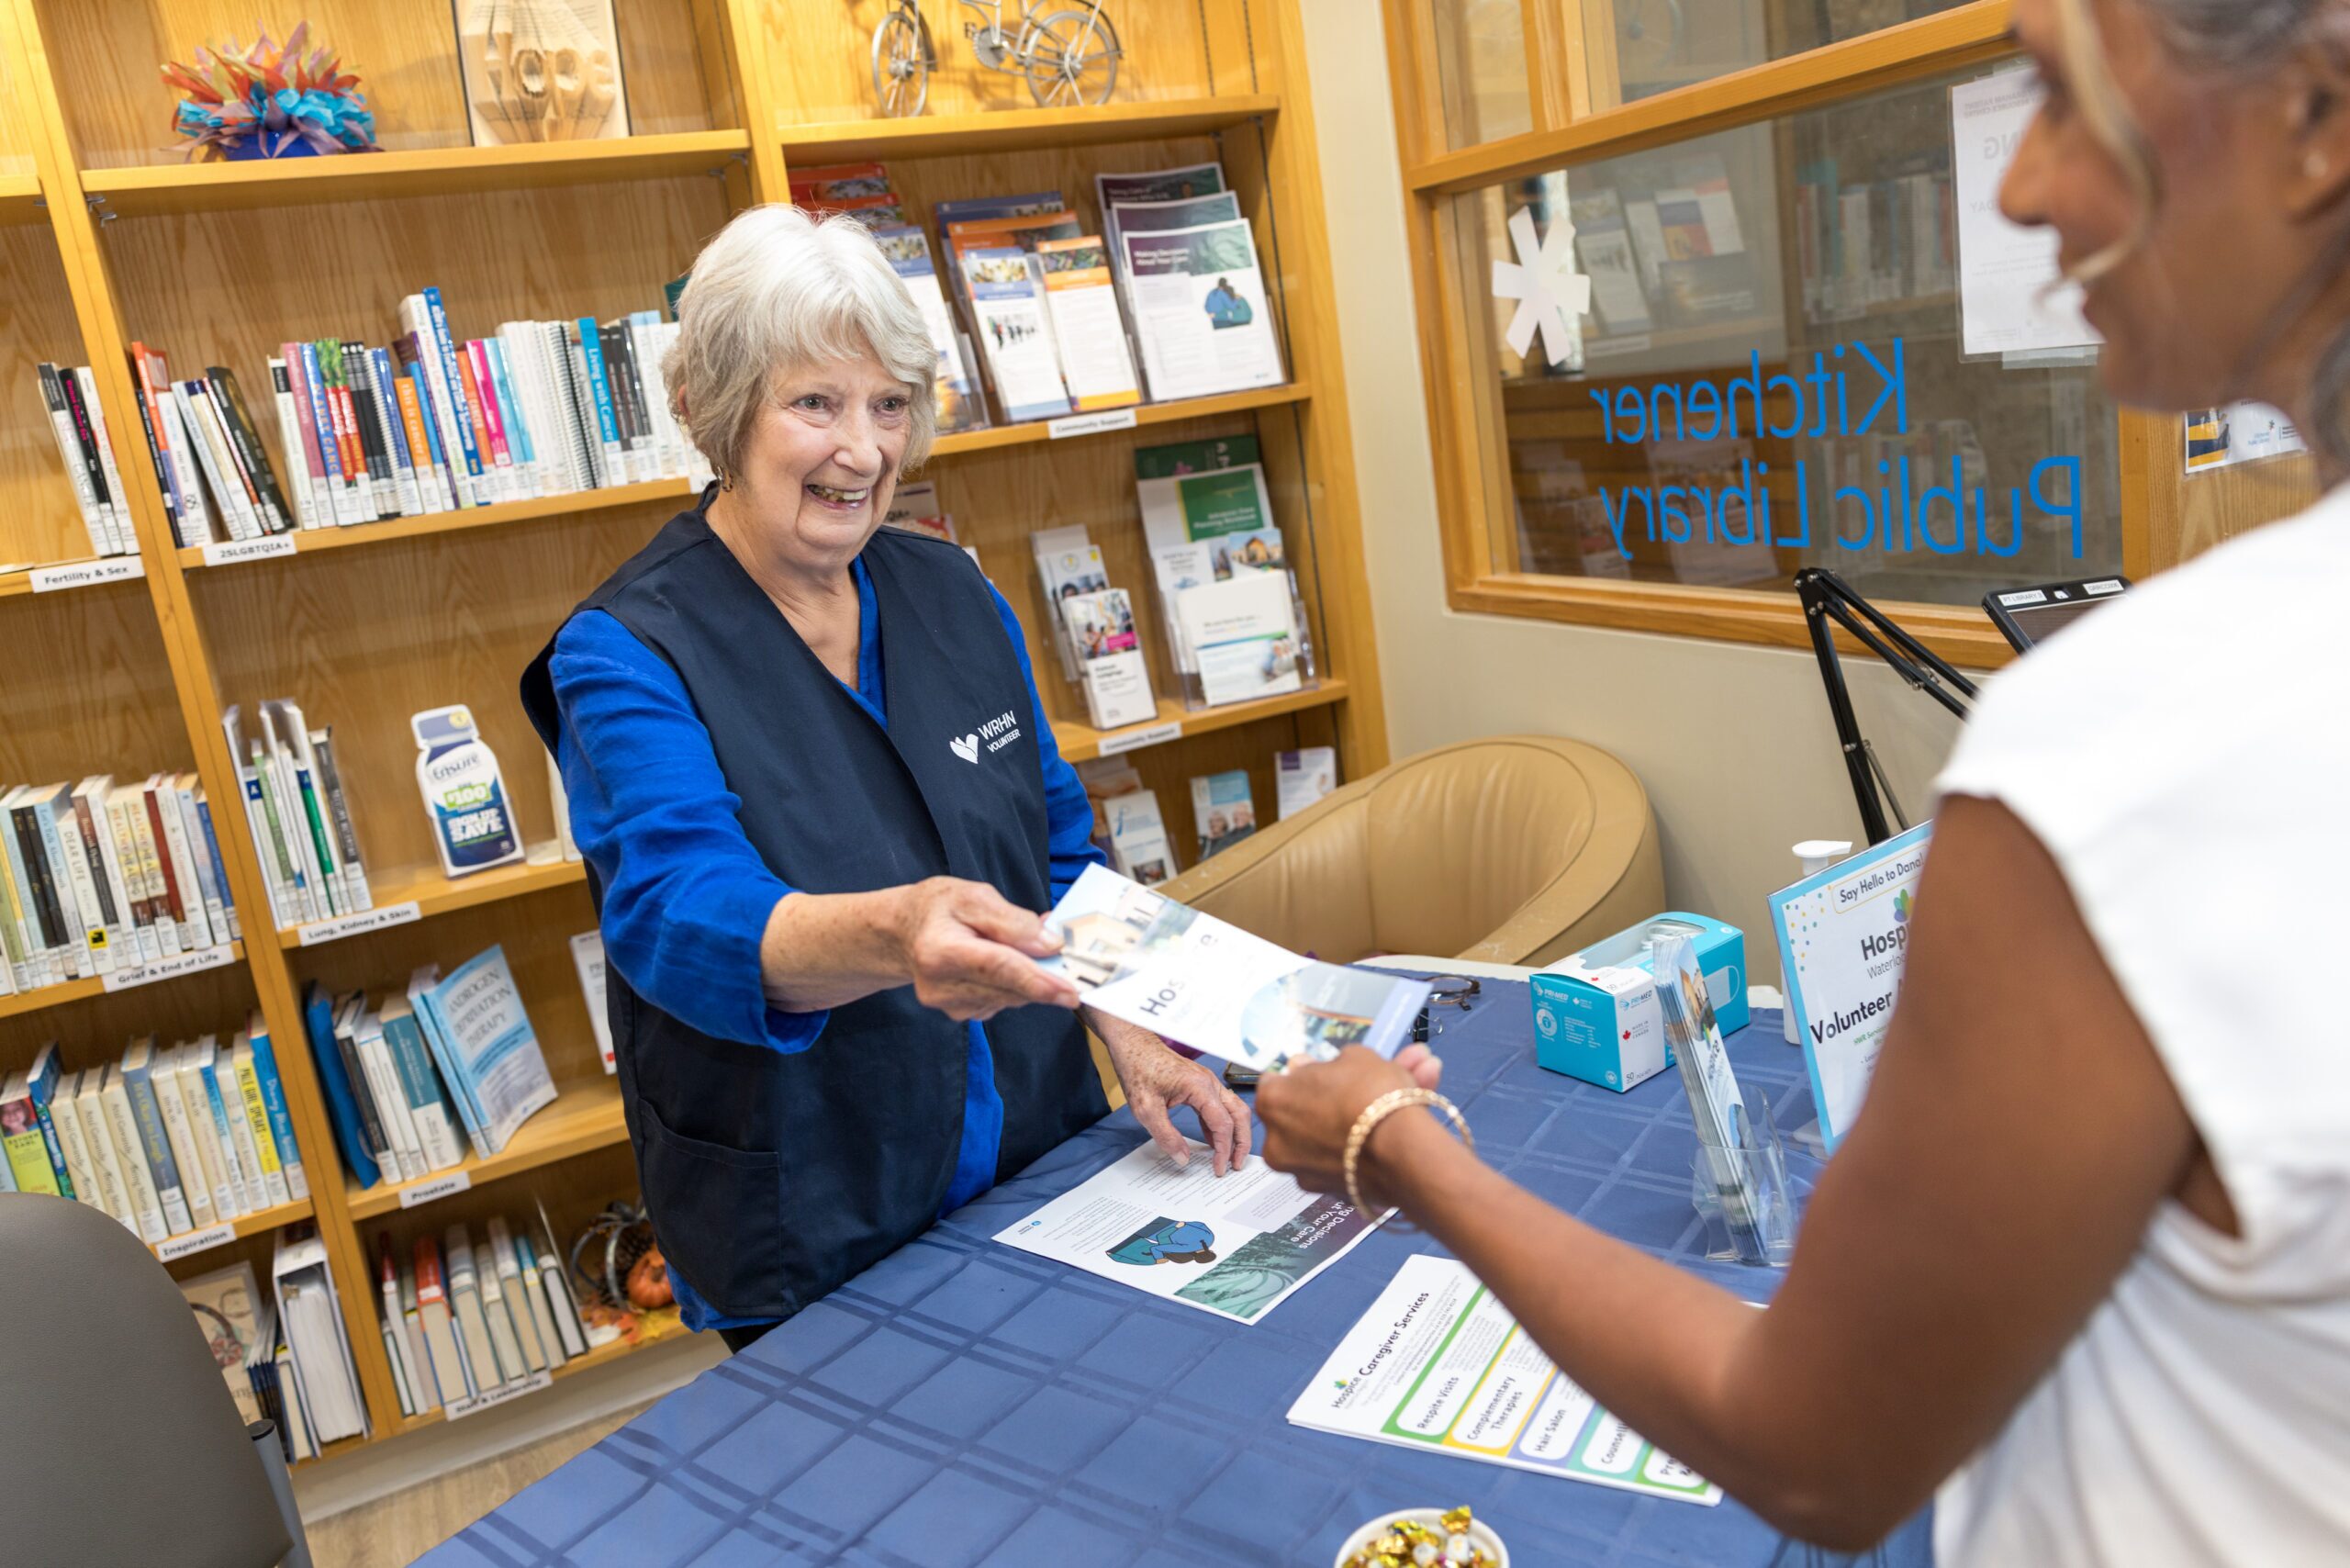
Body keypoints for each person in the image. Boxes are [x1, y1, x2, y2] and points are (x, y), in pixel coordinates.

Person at [1259, 1, 2350, 1562]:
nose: (2024, 187)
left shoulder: (2132, 738)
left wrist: (1398, 1148)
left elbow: (1816, 1449)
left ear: (2316, 117)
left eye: (2060, 92)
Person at [520, 207, 1249, 1353]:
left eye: (888, 405)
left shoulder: (954, 591)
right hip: (810, 1202)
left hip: (1033, 1154)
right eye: (814, 403)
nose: (861, 451)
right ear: (721, 414)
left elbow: (1058, 855)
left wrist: (1138, 1025)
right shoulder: (624, 648)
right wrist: (898, 932)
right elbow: (677, 913)